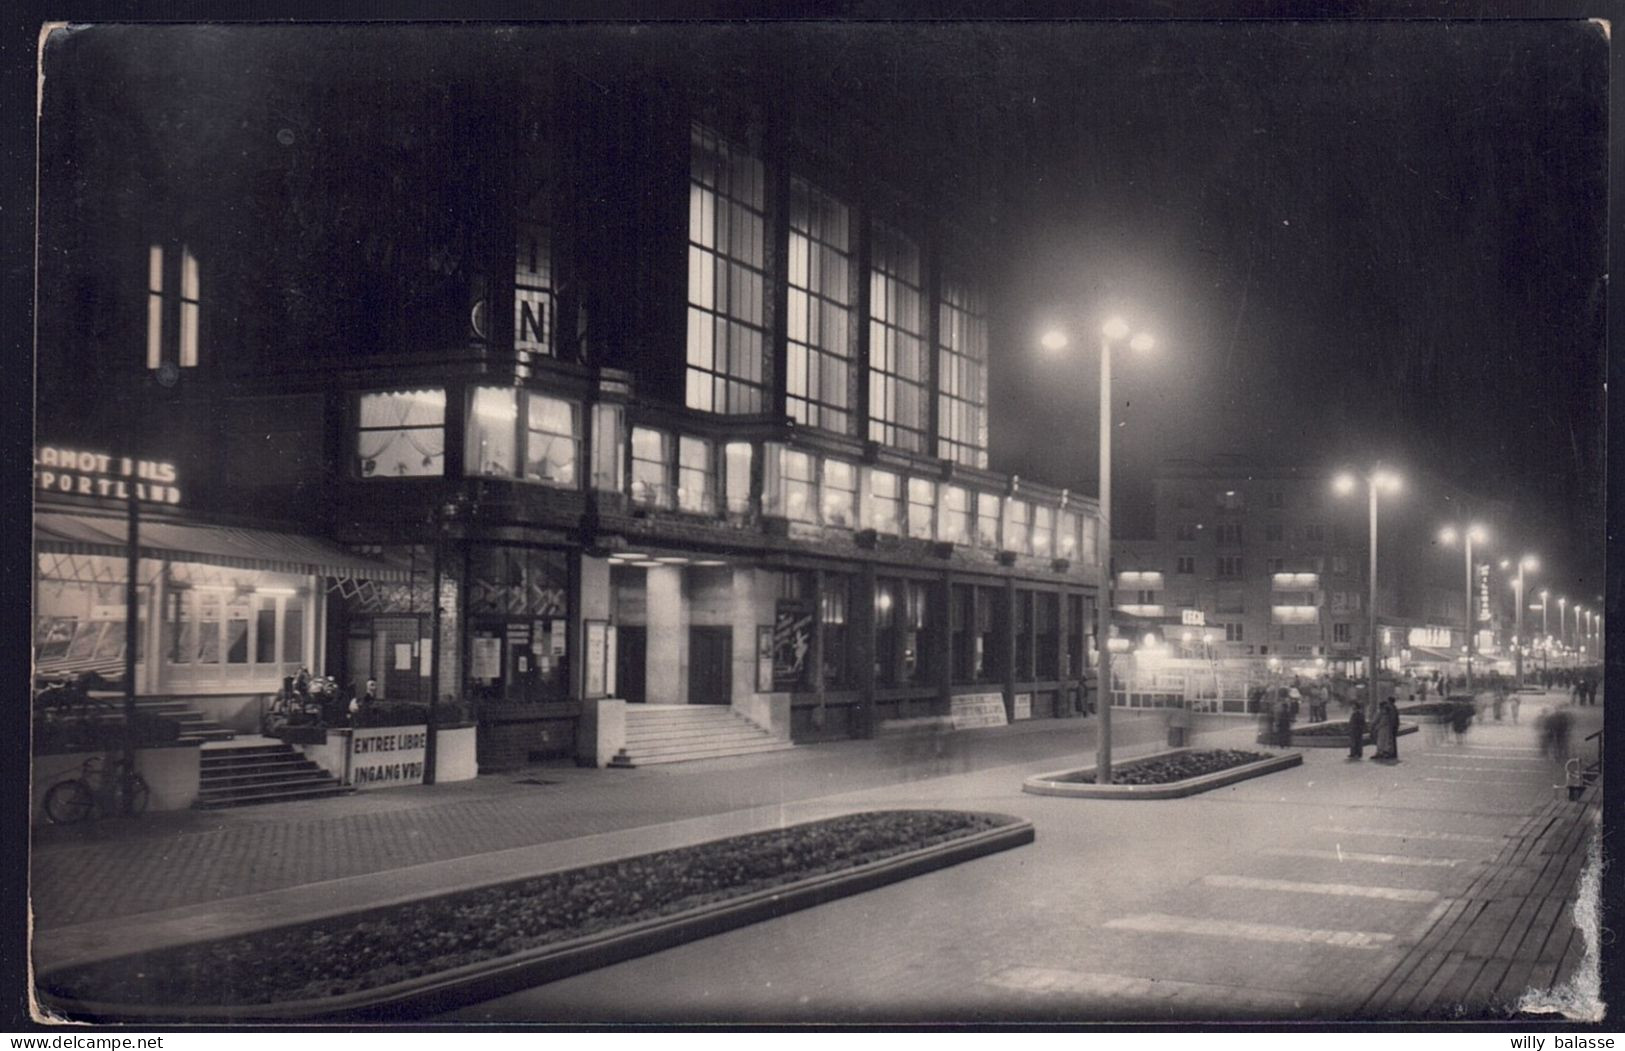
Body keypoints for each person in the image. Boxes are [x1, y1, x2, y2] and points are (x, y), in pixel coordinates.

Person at [1373, 696, 1399, 761]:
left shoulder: (1388, 710)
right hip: (1390, 727)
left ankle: (1386, 753)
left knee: (1385, 741)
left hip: (1388, 728)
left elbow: (1383, 721)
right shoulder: (1392, 708)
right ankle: (1390, 753)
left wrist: (1376, 727)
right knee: (1388, 741)